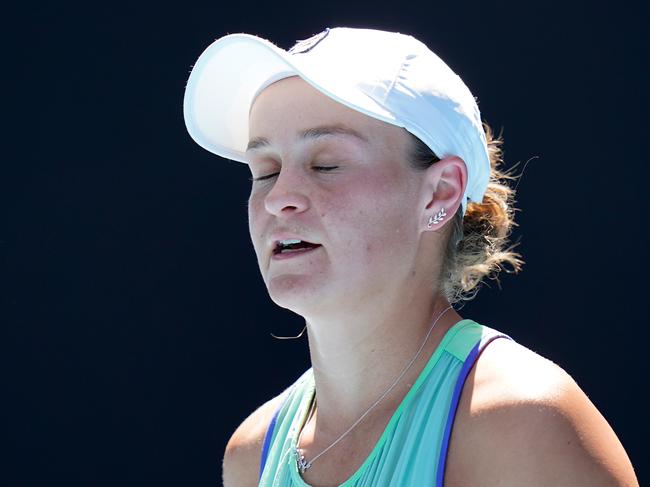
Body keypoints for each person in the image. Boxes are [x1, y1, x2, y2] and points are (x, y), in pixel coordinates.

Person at [183, 27, 638, 487]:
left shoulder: (521, 424)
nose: (279, 198)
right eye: (266, 170)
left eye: (326, 164)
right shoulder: (250, 455)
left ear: (439, 192)